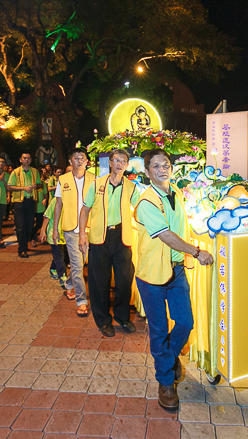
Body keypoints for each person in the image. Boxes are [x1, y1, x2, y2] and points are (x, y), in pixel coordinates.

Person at [134, 149, 213, 412]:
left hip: (176, 270)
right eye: (155, 166)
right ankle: (166, 382)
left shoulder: (176, 192)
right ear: (147, 172)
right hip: (152, 275)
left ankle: (168, 358)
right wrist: (197, 251)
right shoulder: (146, 201)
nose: (162, 169)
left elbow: (182, 226)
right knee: (158, 331)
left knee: (185, 321)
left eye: (165, 164)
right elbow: (165, 234)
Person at [78, 149, 140, 337]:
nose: (120, 164)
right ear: (110, 163)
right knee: (99, 282)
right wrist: (82, 234)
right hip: (99, 237)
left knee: (124, 279)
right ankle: (103, 320)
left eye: (123, 161)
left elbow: (139, 209)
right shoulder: (97, 185)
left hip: (122, 237)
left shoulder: (131, 187)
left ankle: (122, 316)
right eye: (116, 160)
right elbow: (85, 210)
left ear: (127, 165)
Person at [53, 148, 96, 317]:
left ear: (87, 161)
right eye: (76, 158)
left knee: (81, 263)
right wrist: (56, 230)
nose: (79, 161)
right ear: (70, 162)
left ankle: (69, 283)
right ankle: (82, 301)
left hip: (88, 229)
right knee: (77, 266)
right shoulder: (62, 180)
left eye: (82, 158)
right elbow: (58, 205)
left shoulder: (94, 179)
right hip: (71, 230)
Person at [7, 153, 43, 258]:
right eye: (24, 158)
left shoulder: (34, 171)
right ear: (20, 160)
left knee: (29, 225)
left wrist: (36, 185)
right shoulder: (15, 172)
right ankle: (22, 249)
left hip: (31, 200)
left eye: (28, 158)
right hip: (19, 201)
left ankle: (24, 244)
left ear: (31, 160)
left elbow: (40, 184)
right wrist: (23, 188)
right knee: (20, 226)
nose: (26, 160)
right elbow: (9, 187)